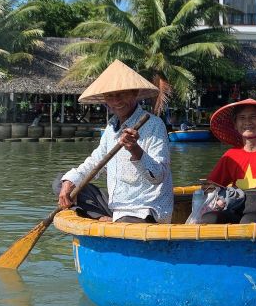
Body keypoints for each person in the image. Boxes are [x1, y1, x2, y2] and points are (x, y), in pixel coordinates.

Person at [55, 60, 173, 223]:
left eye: (122, 94)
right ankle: (107, 218)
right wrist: (69, 182)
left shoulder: (154, 125)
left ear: (134, 93)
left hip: (144, 208)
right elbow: (95, 163)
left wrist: (135, 150)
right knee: (61, 183)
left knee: (128, 220)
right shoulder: (111, 128)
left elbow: (158, 176)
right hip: (117, 204)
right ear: (105, 99)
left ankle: (111, 220)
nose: (116, 101)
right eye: (110, 96)